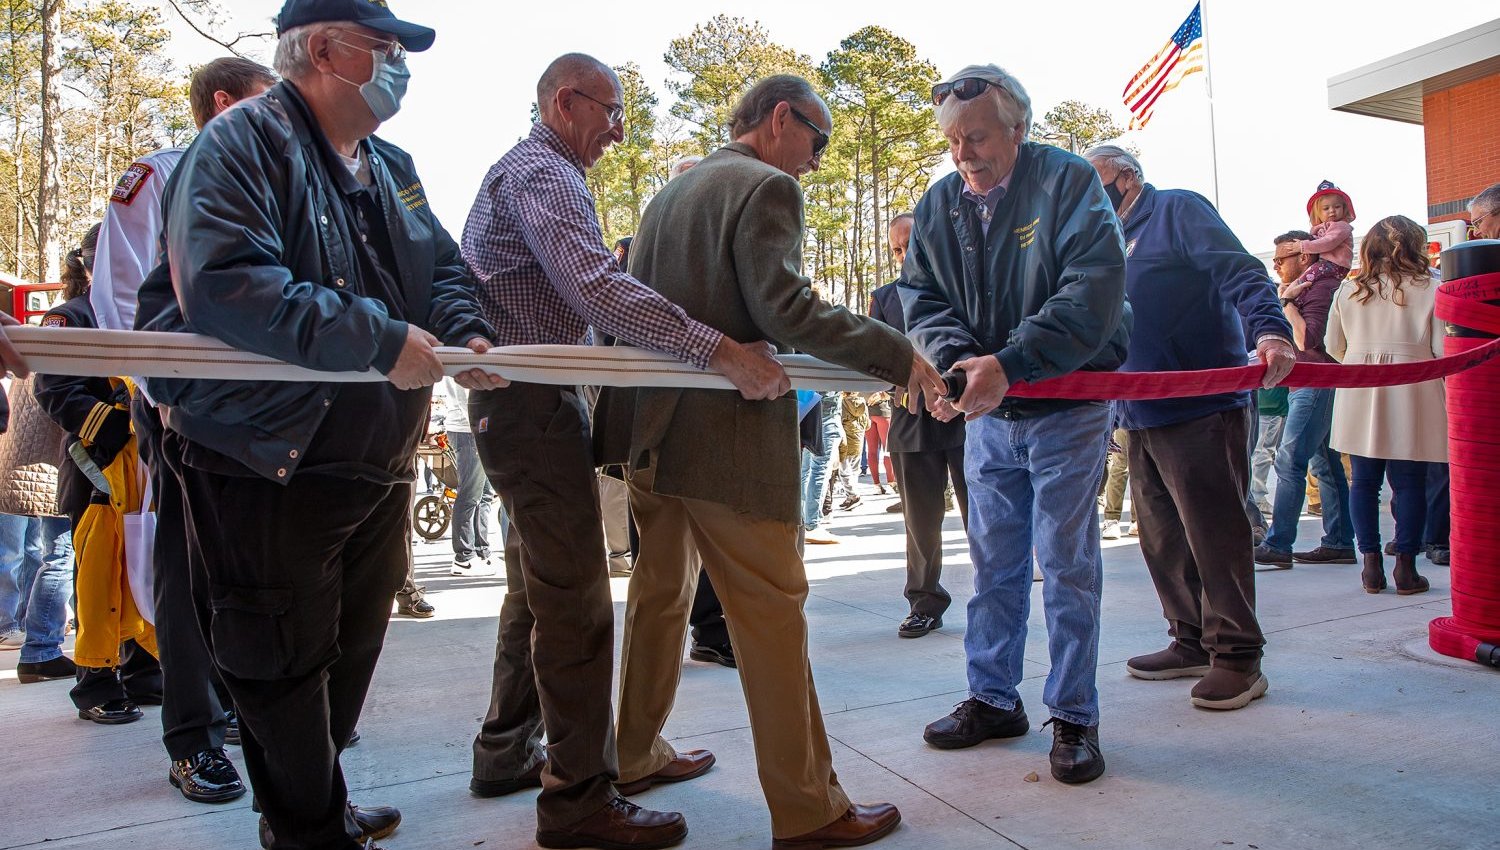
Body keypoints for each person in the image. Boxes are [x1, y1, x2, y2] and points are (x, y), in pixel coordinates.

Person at [133, 1, 503, 846]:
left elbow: (441, 267)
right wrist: (379, 339)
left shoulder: (390, 163)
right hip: (269, 459)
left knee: (350, 647)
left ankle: (314, 801)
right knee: (279, 660)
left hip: (374, 461)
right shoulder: (240, 144)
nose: (400, 66)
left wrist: (463, 331)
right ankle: (307, 826)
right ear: (327, 51)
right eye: (386, 48)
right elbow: (226, 284)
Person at [459, 52, 786, 850]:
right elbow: (596, 287)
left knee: (535, 588)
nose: (617, 130)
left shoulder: (532, 171)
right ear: (566, 102)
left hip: (526, 403)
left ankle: (506, 749)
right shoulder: (544, 173)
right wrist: (718, 349)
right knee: (574, 605)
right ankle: (579, 800)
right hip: (531, 406)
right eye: (610, 112)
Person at [604, 72, 938, 850]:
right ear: (781, 118)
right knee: (771, 617)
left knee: (660, 595)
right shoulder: (765, 187)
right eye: (818, 140)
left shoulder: (671, 194)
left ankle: (633, 752)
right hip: (724, 444)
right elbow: (787, 308)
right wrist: (899, 354)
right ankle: (809, 808)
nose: (817, 160)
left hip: (654, 434)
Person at [903, 65, 1129, 784]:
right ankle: (994, 697)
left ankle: (1075, 715)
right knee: (993, 566)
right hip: (989, 416)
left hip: (1067, 410)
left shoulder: (1068, 182)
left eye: (976, 137)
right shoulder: (939, 204)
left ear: (1018, 129)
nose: (963, 154)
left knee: (1066, 567)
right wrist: (959, 365)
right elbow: (921, 298)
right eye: (952, 140)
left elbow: (1092, 290)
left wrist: (1012, 361)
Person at [91, 55, 275, 805]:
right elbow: (119, 298)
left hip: (265, 410)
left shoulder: (279, 180)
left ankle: (259, 715)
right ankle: (192, 736)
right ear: (223, 104)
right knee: (184, 566)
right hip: (181, 405)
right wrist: (166, 395)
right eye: (268, 103)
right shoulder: (158, 176)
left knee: (258, 570)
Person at [1085, 145, 1296, 711]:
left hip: (1199, 405)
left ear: (1127, 177)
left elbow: (1240, 270)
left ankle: (1238, 656)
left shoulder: (1177, 210)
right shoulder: (1103, 238)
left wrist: (1271, 330)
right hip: (1137, 410)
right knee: (1160, 537)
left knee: (1214, 531)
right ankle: (1190, 640)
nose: (1090, 195)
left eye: (1097, 181)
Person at [35, 224, 164, 726]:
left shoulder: (145, 311)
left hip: (146, 466)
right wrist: (120, 420)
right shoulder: (69, 317)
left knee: (145, 566)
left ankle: (143, 668)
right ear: (91, 265)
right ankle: (95, 680)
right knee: (97, 575)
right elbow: (55, 389)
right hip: (97, 464)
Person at [1325, 215, 1444, 595]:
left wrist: (1363, 358)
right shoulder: (1434, 288)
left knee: (1363, 481)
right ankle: (1406, 568)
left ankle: (1371, 565)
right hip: (1413, 385)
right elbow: (1442, 349)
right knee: (1409, 483)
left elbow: (1333, 347)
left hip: (1360, 385)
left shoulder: (1349, 290)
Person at [870, 212, 968, 639]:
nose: (903, 253)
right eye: (896, 248)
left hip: (967, 418)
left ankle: (997, 600)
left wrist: (956, 396)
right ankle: (924, 602)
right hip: (910, 420)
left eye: (910, 243)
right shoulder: (883, 298)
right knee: (921, 523)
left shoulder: (964, 287)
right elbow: (874, 359)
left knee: (983, 517)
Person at [1254, 231, 1356, 567]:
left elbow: (1307, 338)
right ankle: (1339, 541)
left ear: (1303, 257)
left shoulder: (1321, 289)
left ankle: (1279, 544)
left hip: (1315, 383)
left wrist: (1286, 303)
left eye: (1280, 259)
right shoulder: (1307, 288)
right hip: (1310, 384)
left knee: (1289, 461)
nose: (1276, 265)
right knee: (1325, 465)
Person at [0, 374, 75, 686]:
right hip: (52, 467)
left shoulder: (33, 357)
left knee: (49, 555)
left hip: (37, 468)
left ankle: (39, 646)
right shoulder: (53, 357)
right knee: (61, 556)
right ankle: (40, 649)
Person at [439, 376, 498, 578]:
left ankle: (481, 551)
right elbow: (465, 396)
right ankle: (464, 558)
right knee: (470, 495)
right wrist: (479, 428)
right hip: (468, 430)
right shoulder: (464, 363)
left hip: (472, 428)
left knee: (484, 495)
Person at [1280, 181, 1356, 289]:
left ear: (1344, 208)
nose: (1332, 211)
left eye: (1337, 207)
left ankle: (1291, 293)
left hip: (1335, 265)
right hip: (1326, 264)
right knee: (1306, 278)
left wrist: (1302, 246)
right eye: (1326, 208)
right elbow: (1316, 241)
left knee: (1304, 280)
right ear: (1317, 213)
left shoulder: (1341, 226)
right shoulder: (1321, 228)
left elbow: (1328, 242)